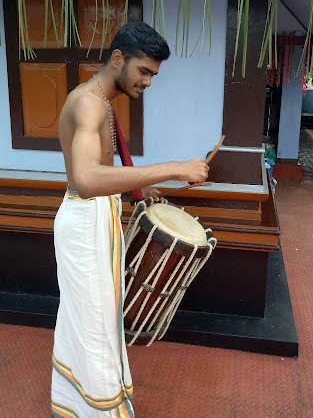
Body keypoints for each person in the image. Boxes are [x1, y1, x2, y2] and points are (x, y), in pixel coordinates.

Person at [51, 21, 209, 417]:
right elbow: (85, 178)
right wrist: (172, 167)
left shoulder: (103, 101)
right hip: (85, 224)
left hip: (96, 219)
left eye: (153, 75)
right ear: (118, 58)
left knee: (92, 320)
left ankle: (77, 405)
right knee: (95, 324)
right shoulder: (88, 102)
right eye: (144, 71)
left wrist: (137, 191)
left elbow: (97, 172)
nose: (148, 82)